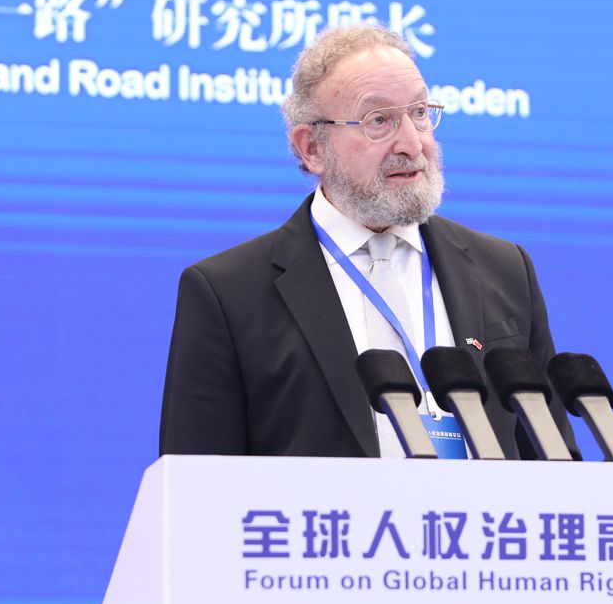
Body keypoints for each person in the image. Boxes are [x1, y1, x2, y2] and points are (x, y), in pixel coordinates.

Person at [159, 25, 580, 459]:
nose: (412, 143)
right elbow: (193, 478)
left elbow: (553, 462)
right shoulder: (229, 293)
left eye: (420, 112)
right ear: (312, 148)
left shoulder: (504, 269)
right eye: (378, 120)